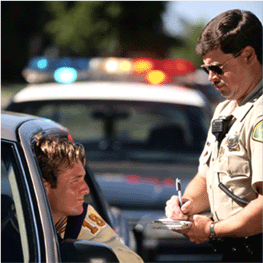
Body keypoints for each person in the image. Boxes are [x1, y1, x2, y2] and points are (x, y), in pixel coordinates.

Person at [165, 9, 262, 262]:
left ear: (249, 55)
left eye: (218, 68)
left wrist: (209, 230)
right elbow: (208, 177)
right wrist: (184, 204)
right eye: (207, 69)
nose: (211, 78)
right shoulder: (225, 110)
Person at [34, 134, 144, 263]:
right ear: (44, 187)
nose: (86, 190)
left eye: (83, 179)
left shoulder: (79, 220)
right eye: (75, 181)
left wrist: (76, 246)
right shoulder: (8, 227)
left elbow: (133, 260)